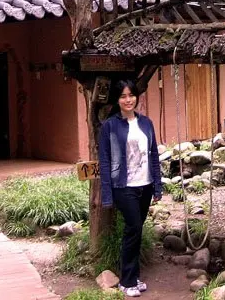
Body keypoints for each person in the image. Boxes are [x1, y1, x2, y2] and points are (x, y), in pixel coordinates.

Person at [98, 79, 162, 297]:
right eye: (123, 96)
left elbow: (154, 155)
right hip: (123, 186)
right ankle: (126, 281)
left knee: (136, 230)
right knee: (133, 228)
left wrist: (158, 187)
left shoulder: (146, 123)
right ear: (117, 100)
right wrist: (107, 195)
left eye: (131, 95)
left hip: (145, 184)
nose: (128, 100)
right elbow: (105, 162)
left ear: (136, 97)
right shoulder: (110, 126)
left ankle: (134, 277)